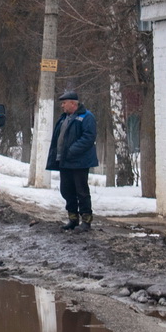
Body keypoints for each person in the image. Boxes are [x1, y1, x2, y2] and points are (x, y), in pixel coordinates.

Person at [44, 89, 99, 232]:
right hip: (65, 161)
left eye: (64, 103)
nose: (62, 106)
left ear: (73, 103)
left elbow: (88, 138)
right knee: (67, 190)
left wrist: (72, 150)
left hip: (79, 162)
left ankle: (86, 220)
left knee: (81, 191)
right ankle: (73, 219)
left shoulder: (86, 117)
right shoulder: (64, 118)